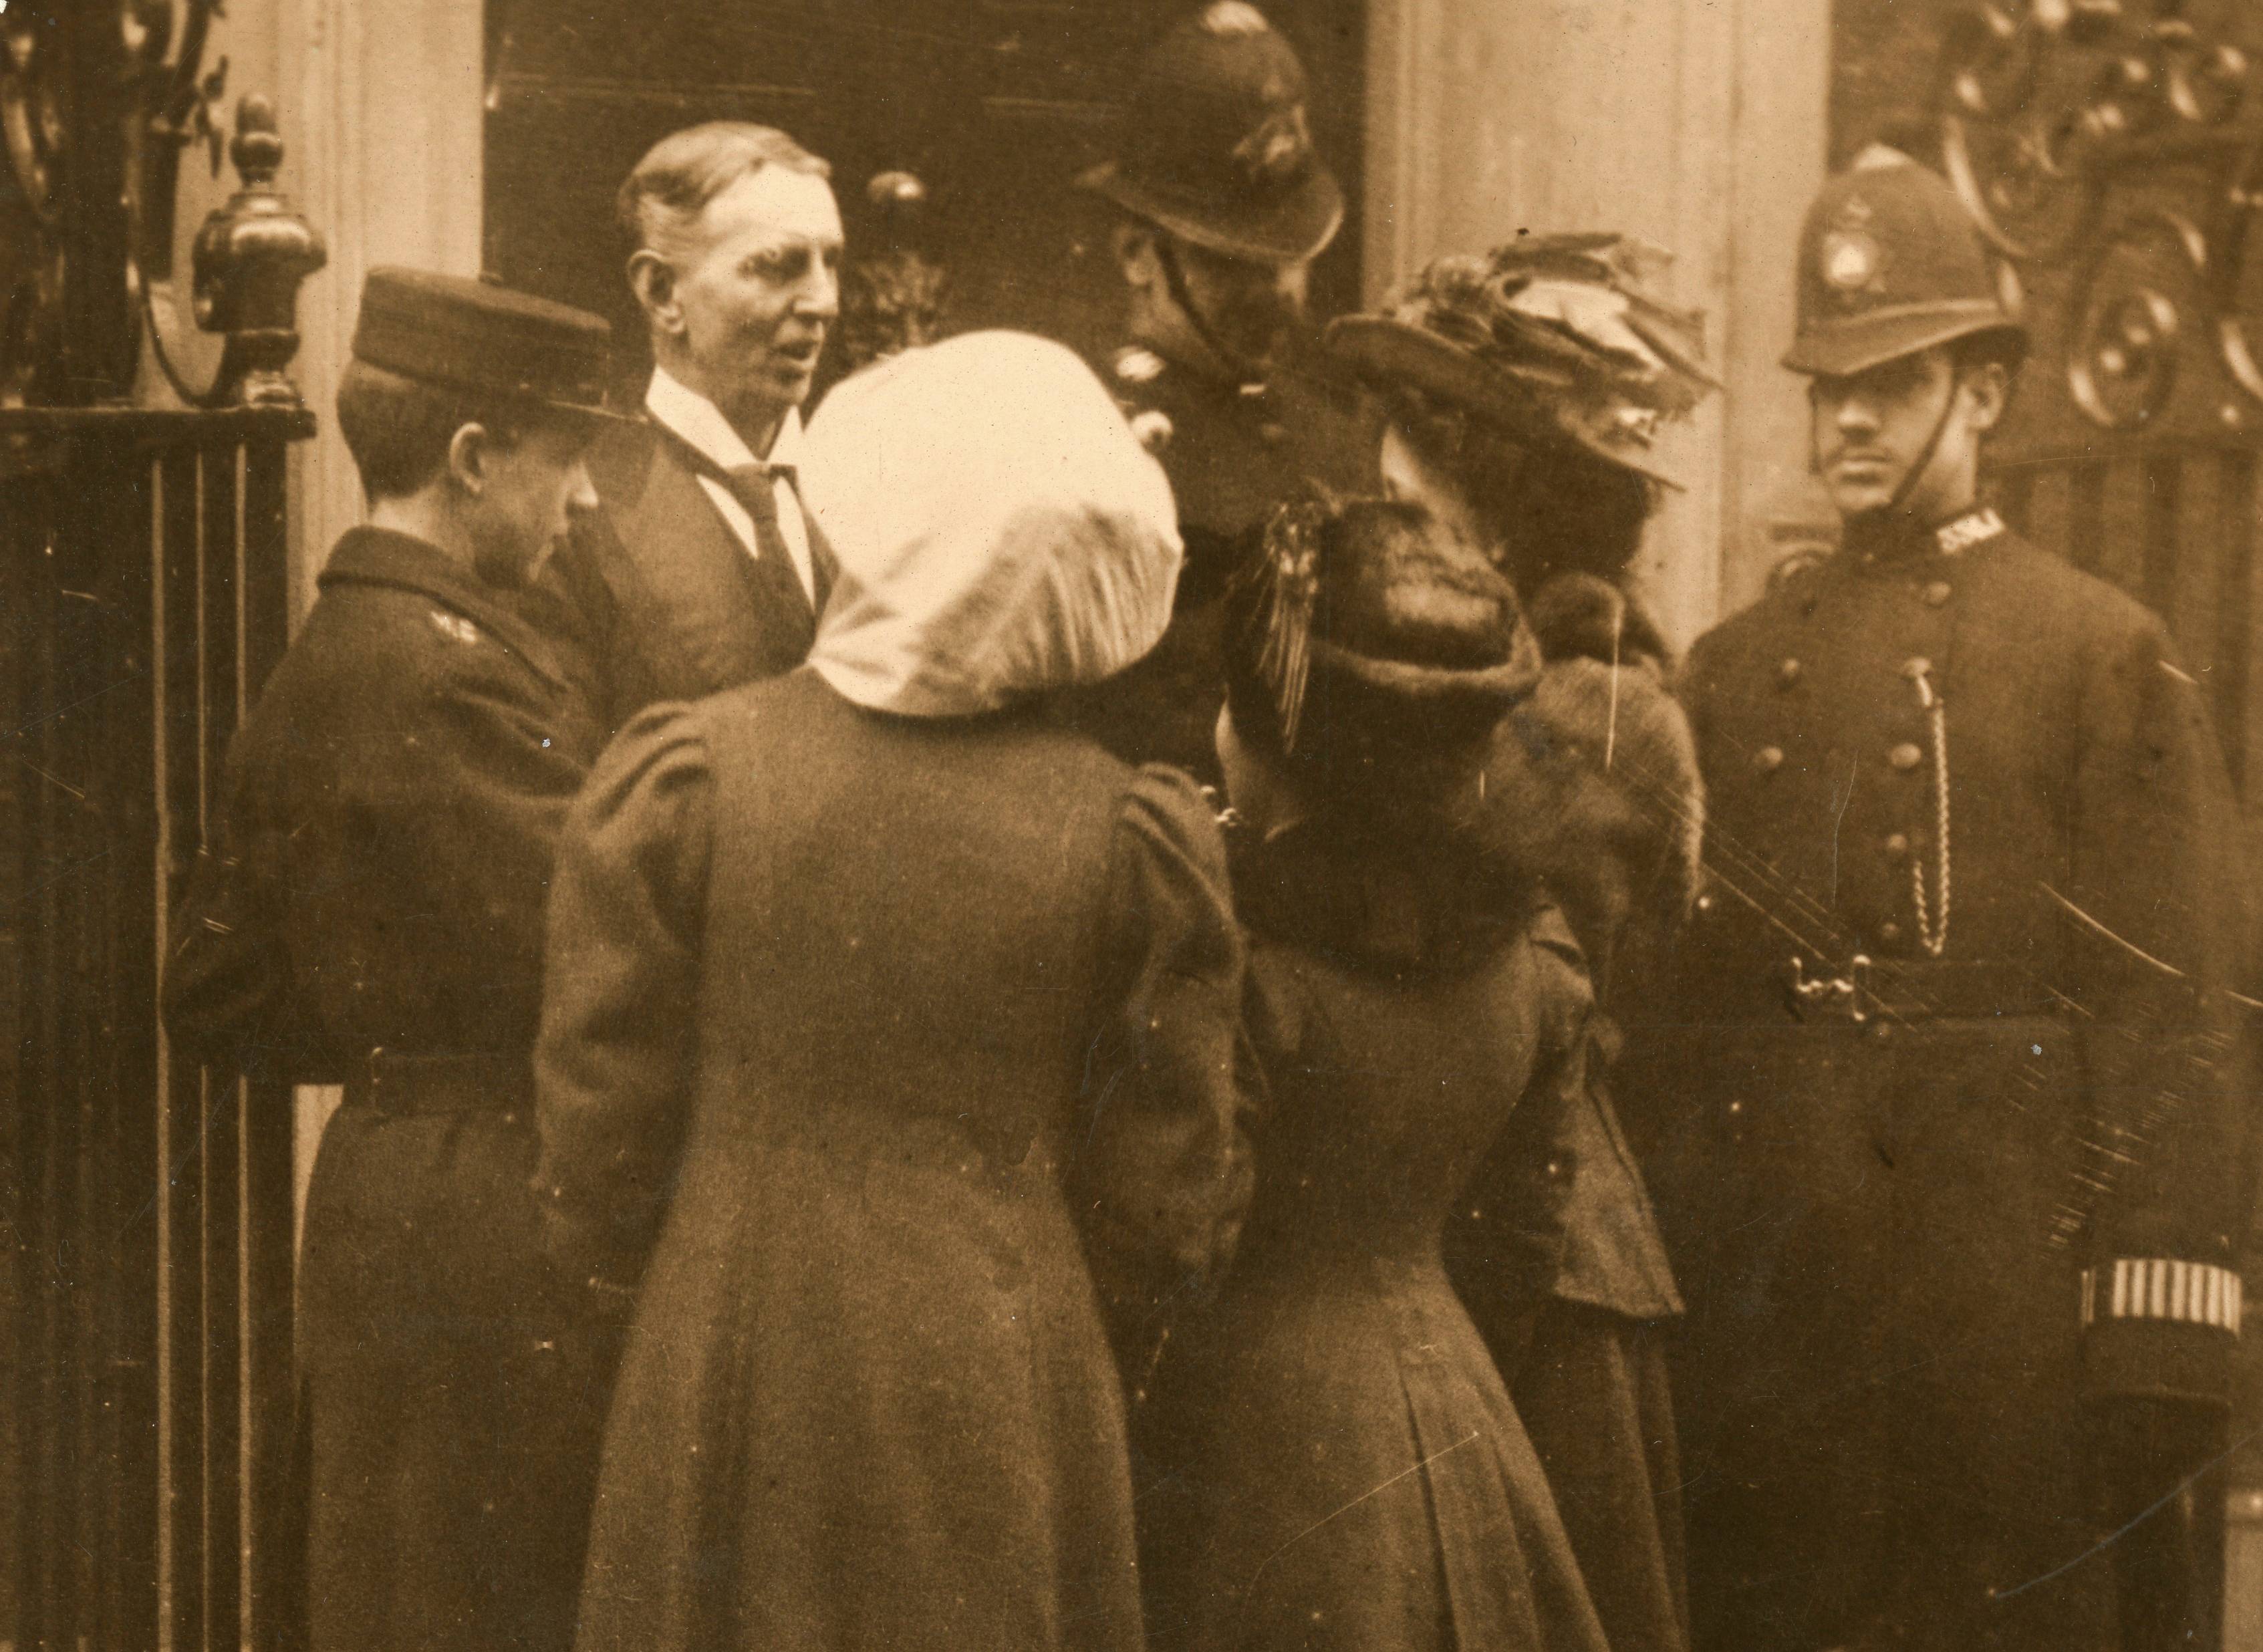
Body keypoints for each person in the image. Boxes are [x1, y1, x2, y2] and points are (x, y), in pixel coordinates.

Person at [531, 331, 1251, 1651]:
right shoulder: (1124, 831)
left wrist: (672, 1297)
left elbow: (598, 1145)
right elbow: (1163, 1202)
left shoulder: (695, 778)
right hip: (1004, 1353)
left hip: (731, 1332)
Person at [1651, 146, 2249, 1652]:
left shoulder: (2098, 653)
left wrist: (2155, 1334)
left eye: (1895, 381)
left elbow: (2172, 1015)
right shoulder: (1731, 666)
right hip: (1772, 1318)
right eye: (1830, 386)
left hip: (2000, 1330)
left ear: (1982, 391)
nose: (1849, 419)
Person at [162, 269, 621, 1652]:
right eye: (567, 460)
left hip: (393, 1184)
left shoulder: (338, 649)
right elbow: (614, 944)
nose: (585, 501)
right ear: (474, 459)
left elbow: (220, 990)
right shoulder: (446, 673)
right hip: (491, 1208)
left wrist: (385, 1031)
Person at [1327, 233, 1715, 1652]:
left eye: (1409, 490)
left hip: (1536, 1248)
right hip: (1413, 1218)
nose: (1382, 514)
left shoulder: (1602, 715)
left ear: (1496, 505)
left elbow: (1426, 898)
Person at [1138, 493, 1611, 1652]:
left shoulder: (1237, 956)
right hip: (1458, 1410)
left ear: (1264, 741)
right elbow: (1520, 1242)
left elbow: (1175, 1239)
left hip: (1256, 1453)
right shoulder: (1523, 949)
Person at [1057, 0, 1366, 783]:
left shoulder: (1329, 431)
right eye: (1236, 262)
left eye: (1291, 257)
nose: (1283, 292)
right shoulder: (1088, 445)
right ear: (1137, 255)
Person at [543, 121, 843, 736]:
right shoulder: (576, 512)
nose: (824, 301)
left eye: (830, 262)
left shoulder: (873, 492)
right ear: (662, 293)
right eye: (777, 266)